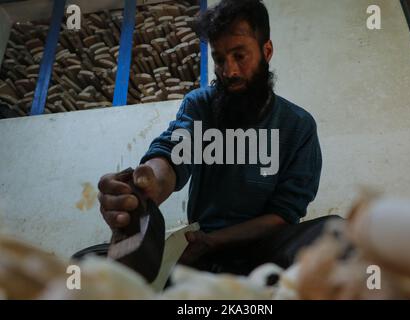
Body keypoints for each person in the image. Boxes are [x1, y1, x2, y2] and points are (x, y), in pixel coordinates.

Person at [97, 0, 340, 275]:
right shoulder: (199, 105)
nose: (229, 71)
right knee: (88, 262)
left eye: (240, 56)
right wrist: (147, 186)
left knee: (334, 234)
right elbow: (173, 153)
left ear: (266, 51)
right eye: (219, 59)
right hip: (200, 245)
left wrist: (214, 241)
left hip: (265, 247)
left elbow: (284, 214)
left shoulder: (299, 126)